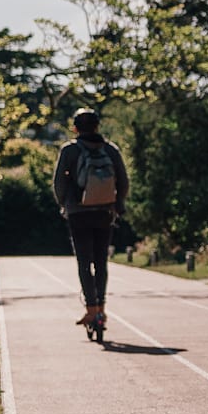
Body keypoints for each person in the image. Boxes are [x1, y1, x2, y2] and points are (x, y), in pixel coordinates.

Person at [52, 108, 128, 330]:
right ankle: (102, 309)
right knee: (101, 261)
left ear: (75, 128)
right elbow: (123, 181)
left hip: (78, 212)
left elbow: (59, 183)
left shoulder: (69, 150)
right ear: (97, 126)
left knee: (84, 262)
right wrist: (117, 202)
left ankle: (91, 309)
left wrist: (64, 204)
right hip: (105, 212)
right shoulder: (110, 150)